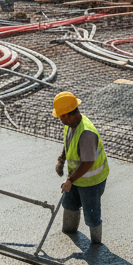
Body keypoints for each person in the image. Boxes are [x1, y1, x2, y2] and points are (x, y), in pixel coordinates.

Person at [52, 91, 109, 245]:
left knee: (92, 215)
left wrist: (70, 180)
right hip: (76, 178)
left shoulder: (87, 134)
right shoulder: (70, 124)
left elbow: (88, 162)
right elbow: (68, 143)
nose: (59, 119)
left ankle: (97, 246)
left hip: (92, 181)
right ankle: (69, 232)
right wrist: (61, 160)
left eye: (61, 116)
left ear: (68, 114)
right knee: (69, 204)